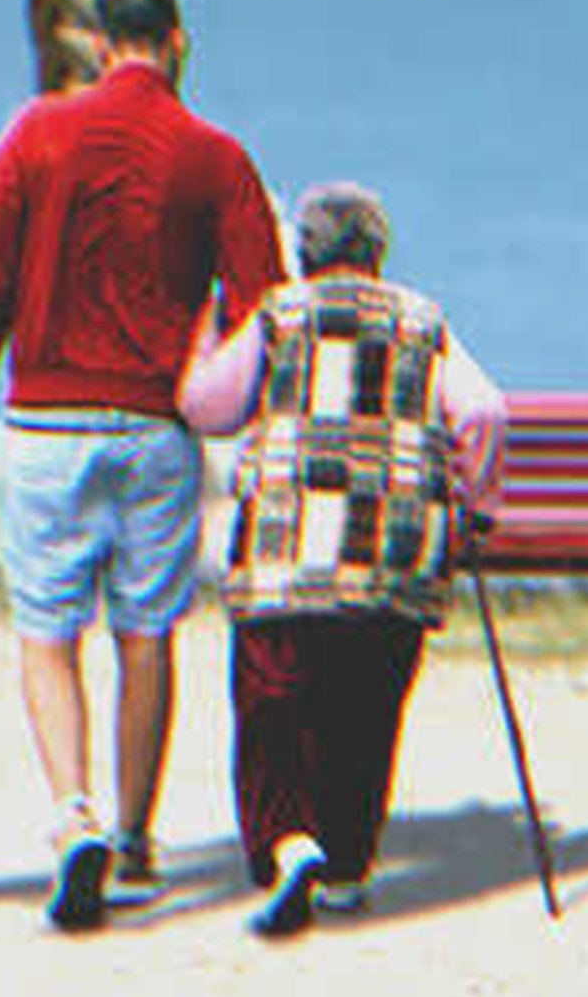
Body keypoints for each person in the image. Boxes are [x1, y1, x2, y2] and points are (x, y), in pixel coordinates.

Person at [0, 0, 287, 932]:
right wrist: (224, 388)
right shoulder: (216, 156)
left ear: (97, 44)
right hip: (157, 429)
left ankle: (72, 813)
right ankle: (136, 839)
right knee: (146, 633)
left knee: (46, 632)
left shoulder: (34, 135)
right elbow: (263, 309)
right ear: (177, 43)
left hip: (44, 422)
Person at [178, 182, 506, 940]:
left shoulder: (279, 314)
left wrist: (201, 336)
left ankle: (289, 845)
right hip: (392, 561)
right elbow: (484, 412)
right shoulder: (422, 320)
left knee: (272, 709)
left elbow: (209, 407)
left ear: (307, 251)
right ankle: (350, 868)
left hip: (286, 558)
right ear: (378, 253)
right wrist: (477, 504)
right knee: (366, 713)